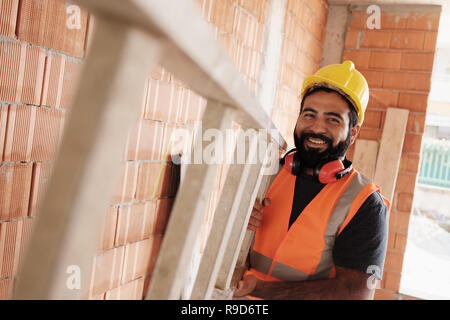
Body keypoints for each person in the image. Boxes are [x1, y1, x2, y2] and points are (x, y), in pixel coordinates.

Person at [233, 61, 390, 300]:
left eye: (333, 120)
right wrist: (236, 221)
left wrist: (261, 289)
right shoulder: (267, 173)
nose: (317, 128)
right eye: (309, 115)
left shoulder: (365, 204)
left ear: (353, 132)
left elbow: (354, 294)